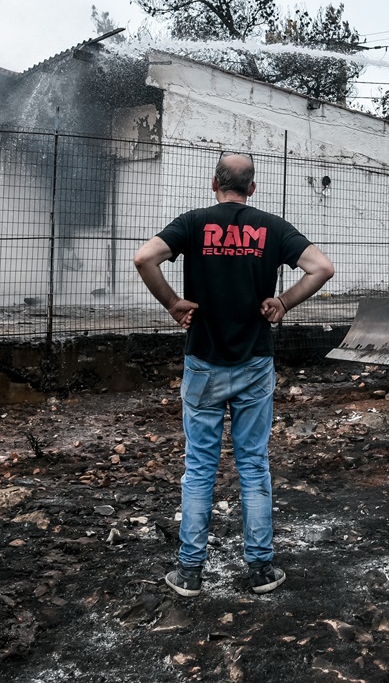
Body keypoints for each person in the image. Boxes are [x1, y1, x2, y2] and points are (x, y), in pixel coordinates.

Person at [133, 152, 334, 597]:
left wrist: (172, 303)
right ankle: (261, 569)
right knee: (253, 465)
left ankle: (189, 572)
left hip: (203, 362)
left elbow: (145, 258)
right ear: (253, 188)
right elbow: (323, 268)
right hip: (254, 363)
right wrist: (283, 303)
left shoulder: (193, 222)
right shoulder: (272, 227)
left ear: (214, 183)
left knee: (200, 468)